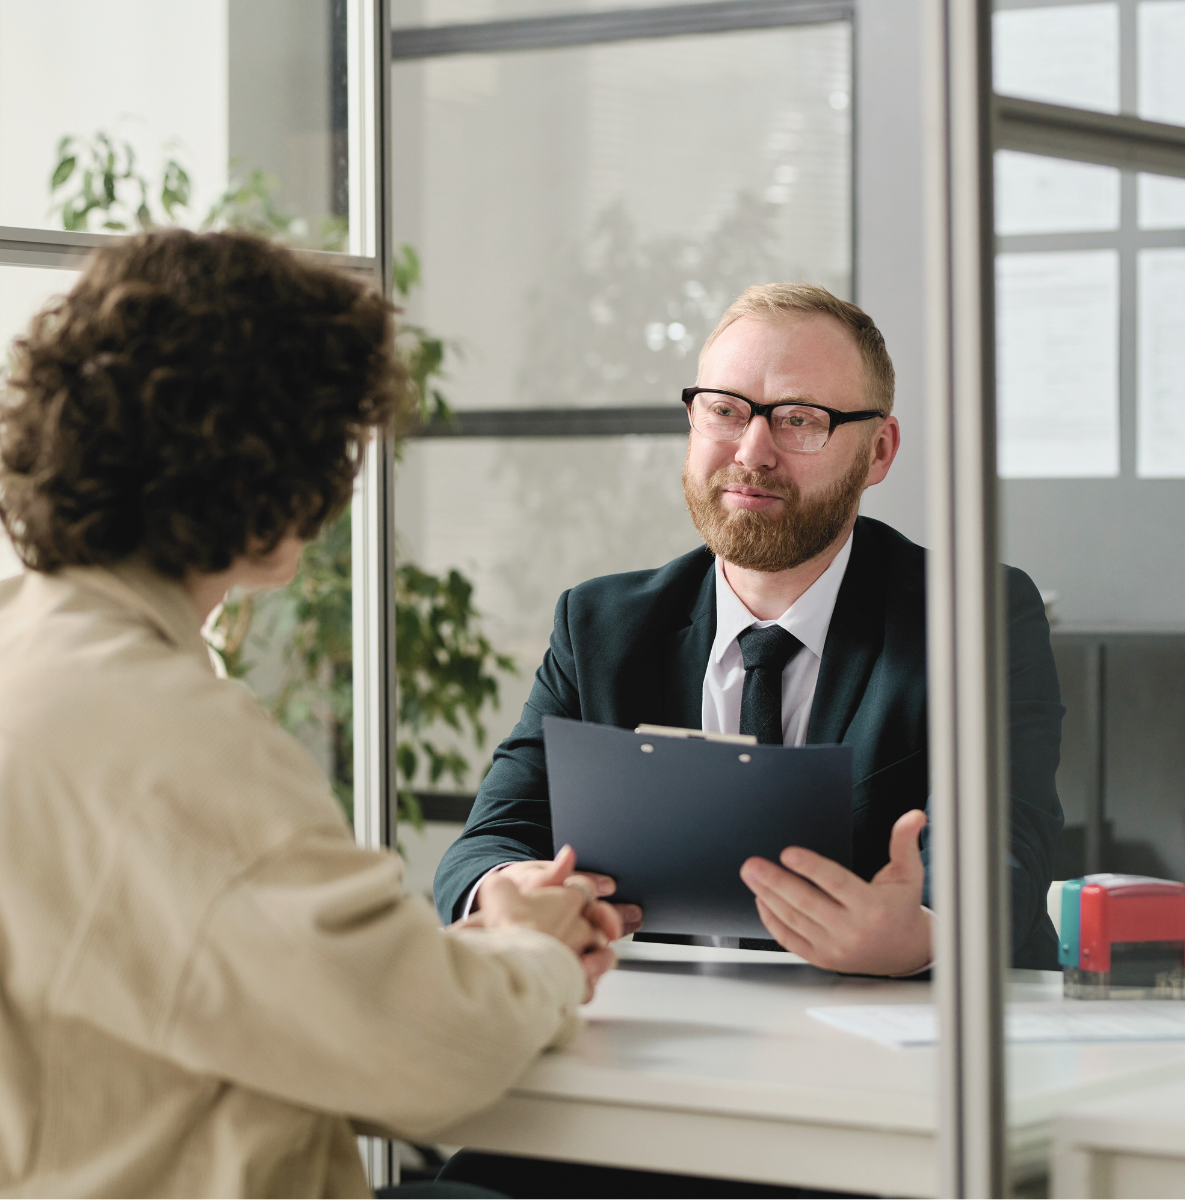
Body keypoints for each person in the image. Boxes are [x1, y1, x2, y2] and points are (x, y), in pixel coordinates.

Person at [0, 229, 621, 1199]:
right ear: (281, 471)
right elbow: (426, 1058)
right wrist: (537, 955)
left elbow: (224, 973)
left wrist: (465, 955)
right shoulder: (173, 733)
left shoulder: (11, 646)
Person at [434, 283, 1064, 977]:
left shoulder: (973, 615)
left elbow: (1005, 847)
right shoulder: (599, 627)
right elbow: (490, 840)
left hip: (899, 1048)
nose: (753, 452)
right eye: (726, 411)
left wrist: (923, 935)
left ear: (879, 452)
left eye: (800, 419)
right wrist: (504, 893)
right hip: (656, 1036)